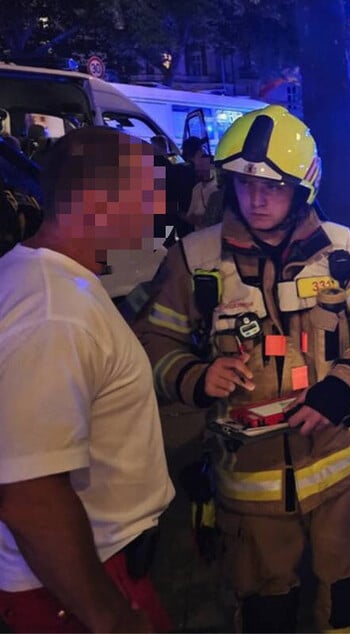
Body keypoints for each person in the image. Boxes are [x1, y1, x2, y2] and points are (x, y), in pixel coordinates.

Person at [135, 105, 350, 632]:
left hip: (338, 470)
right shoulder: (194, 261)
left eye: (274, 187)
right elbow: (152, 341)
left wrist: (343, 389)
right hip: (247, 481)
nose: (256, 199)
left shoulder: (345, 252)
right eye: (244, 183)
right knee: (265, 611)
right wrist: (193, 376)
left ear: (302, 189)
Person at [0, 127, 175, 632]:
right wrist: (108, 616)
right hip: (76, 590)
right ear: (99, 202)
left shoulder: (46, 282)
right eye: (147, 196)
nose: (155, 214)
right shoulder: (56, 315)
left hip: (83, 578)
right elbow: (29, 494)